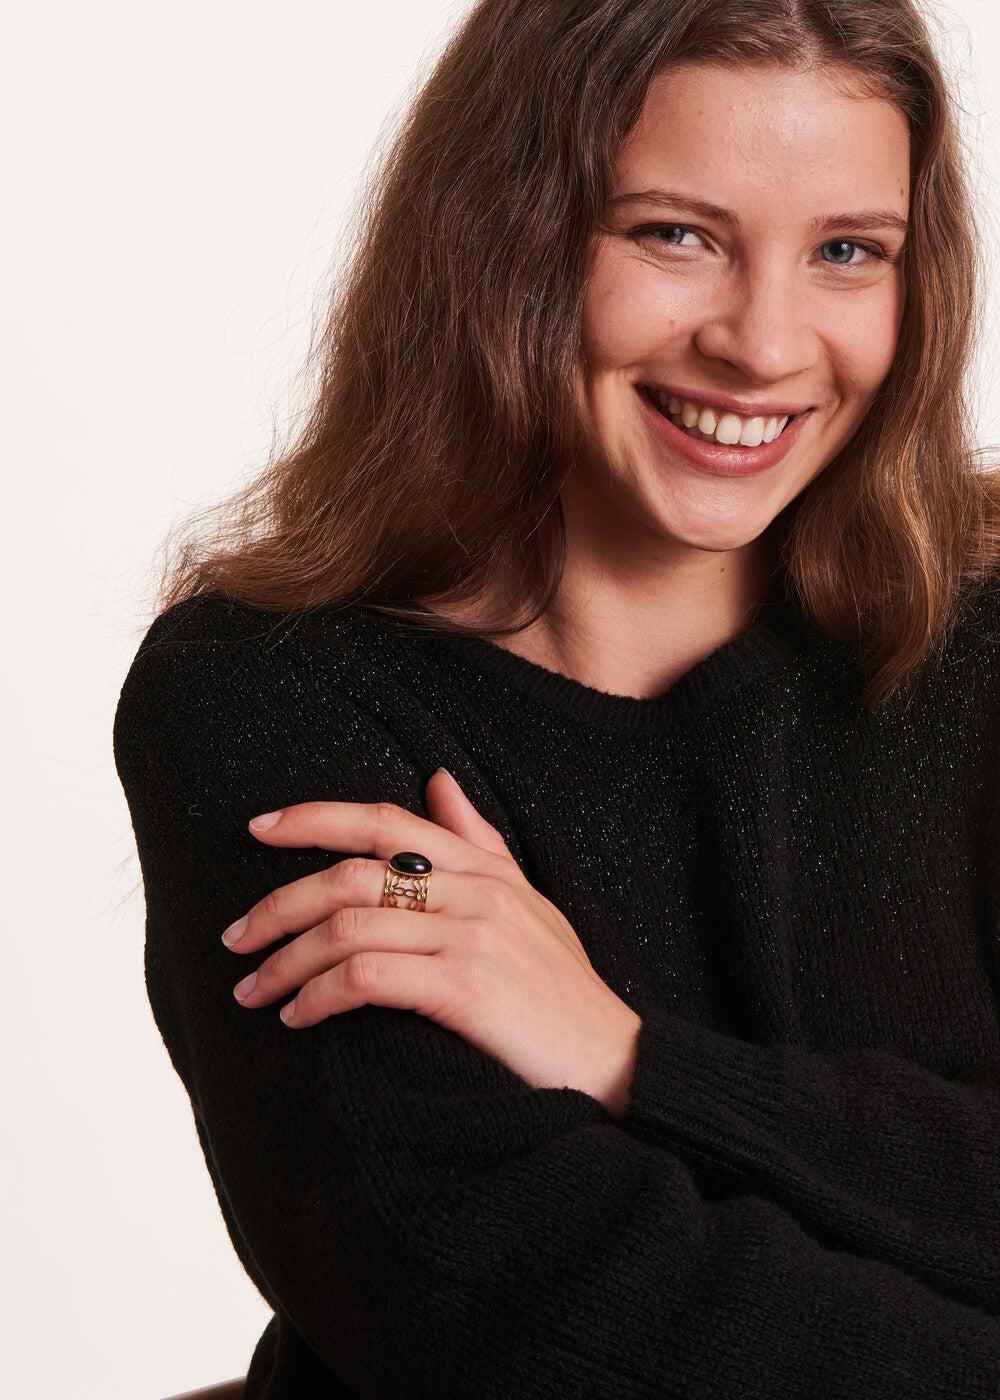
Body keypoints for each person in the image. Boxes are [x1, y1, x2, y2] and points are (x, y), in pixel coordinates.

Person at [114, 0, 1000, 1394]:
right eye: (674, 234)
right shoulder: (270, 693)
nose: (765, 345)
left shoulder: (984, 637)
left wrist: (637, 1060)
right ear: (506, 237)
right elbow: (504, 1302)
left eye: (847, 252)